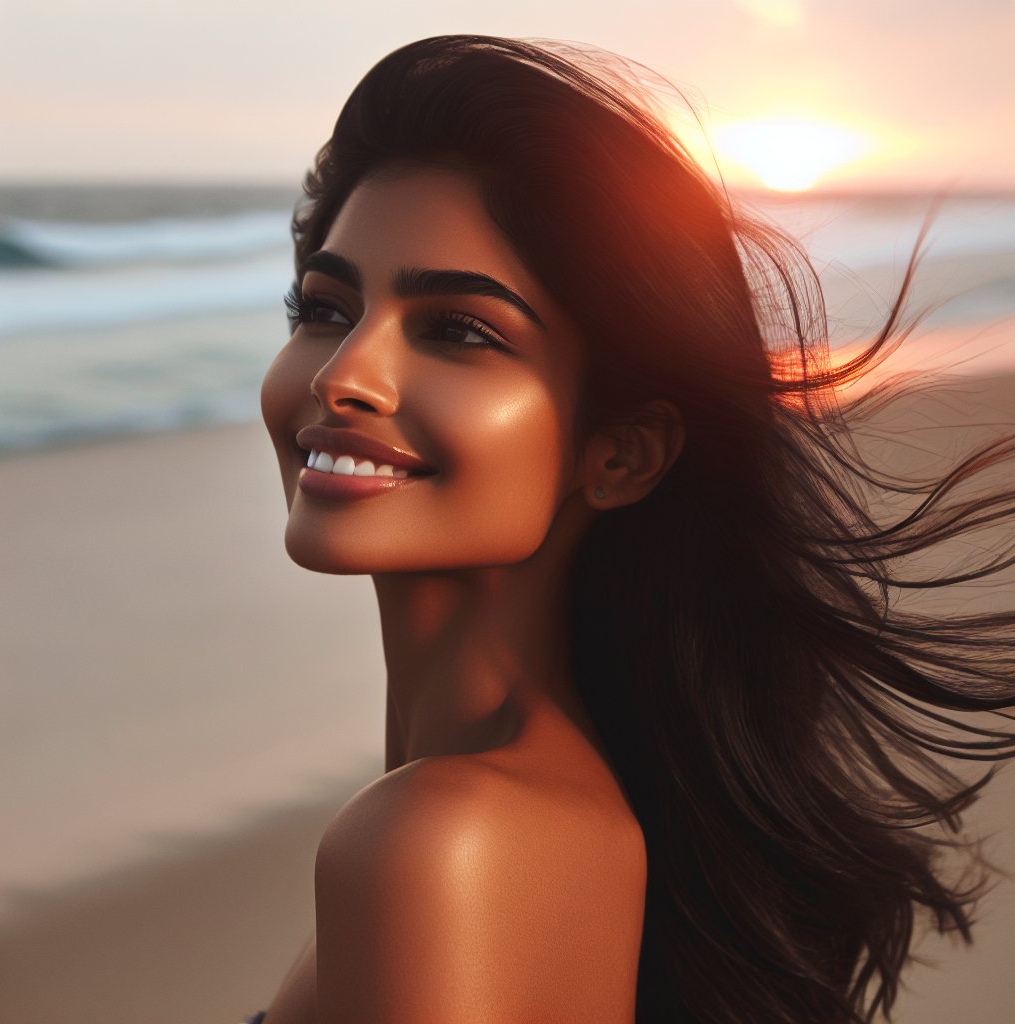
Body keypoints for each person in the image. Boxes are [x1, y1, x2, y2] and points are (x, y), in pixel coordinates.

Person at [256, 34, 1015, 1024]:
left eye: (458, 330)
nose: (342, 373)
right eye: (324, 307)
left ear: (621, 453)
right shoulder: (561, 807)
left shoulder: (439, 840)